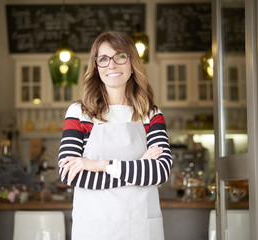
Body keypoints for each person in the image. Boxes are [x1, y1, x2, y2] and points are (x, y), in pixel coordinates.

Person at [58, 31, 173, 240]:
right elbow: (69, 173)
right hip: (94, 228)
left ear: (132, 63)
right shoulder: (79, 113)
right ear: (96, 68)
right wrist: (138, 170)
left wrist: (100, 165)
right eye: (103, 59)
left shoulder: (151, 114)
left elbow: (160, 171)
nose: (111, 65)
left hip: (140, 227)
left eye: (120, 56)